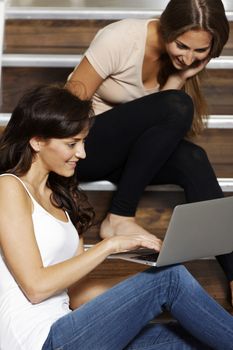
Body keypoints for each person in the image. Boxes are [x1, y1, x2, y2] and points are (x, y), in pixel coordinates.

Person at [1, 84, 233, 350]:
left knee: (187, 341)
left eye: (83, 142)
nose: (82, 154)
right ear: (37, 140)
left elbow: (77, 295)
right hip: (39, 342)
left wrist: (141, 287)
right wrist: (110, 246)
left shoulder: (63, 204)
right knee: (170, 279)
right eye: (72, 144)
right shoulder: (9, 187)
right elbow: (36, 287)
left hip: (71, 332)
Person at [65, 0, 233, 301]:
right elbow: (65, 112)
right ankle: (119, 217)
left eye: (200, 51)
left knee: (194, 158)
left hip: (124, 158)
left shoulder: (181, 64)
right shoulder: (121, 39)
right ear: (168, 26)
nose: (189, 57)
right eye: (182, 45)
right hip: (83, 147)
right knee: (178, 105)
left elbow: (161, 127)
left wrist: (180, 79)